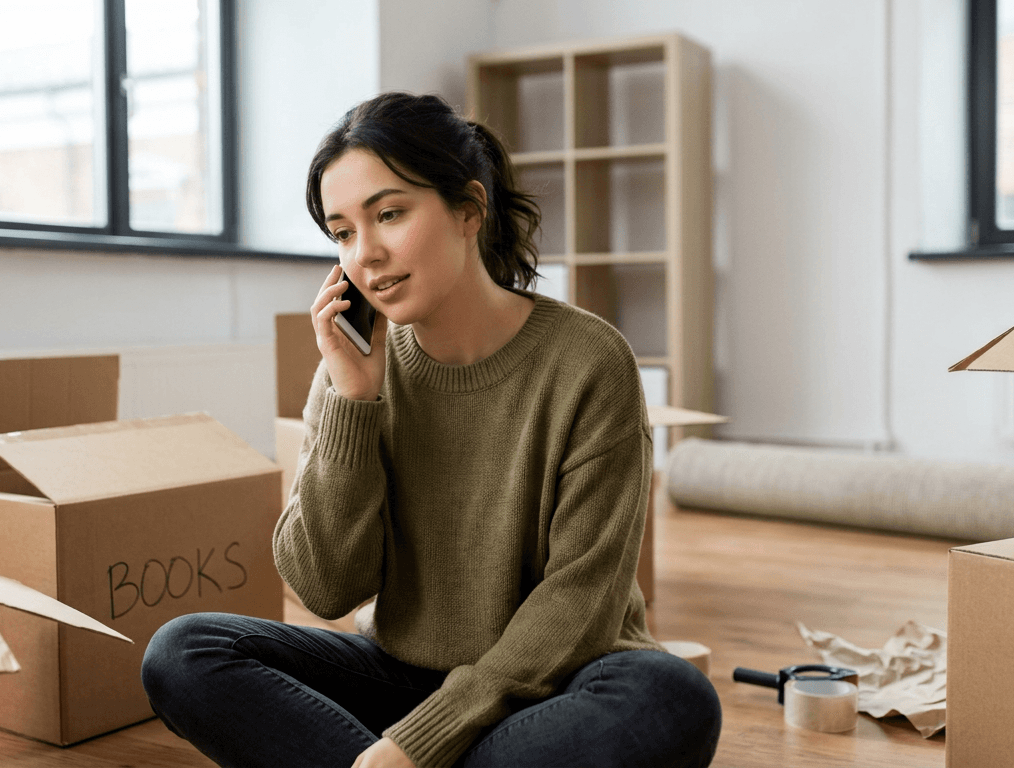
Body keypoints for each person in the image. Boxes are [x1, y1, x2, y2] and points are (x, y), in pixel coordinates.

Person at [141, 91, 721, 768]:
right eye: (343, 232)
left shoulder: (589, 361)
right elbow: (325, 586)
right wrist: (354, 401)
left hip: (553, 682)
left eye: (389, 214)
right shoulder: (351, 369)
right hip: (398, 676)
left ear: (469, 209)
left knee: (670, 695)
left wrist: (416, 746)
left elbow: (581, 601)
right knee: (183, 651)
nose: (367, 254)